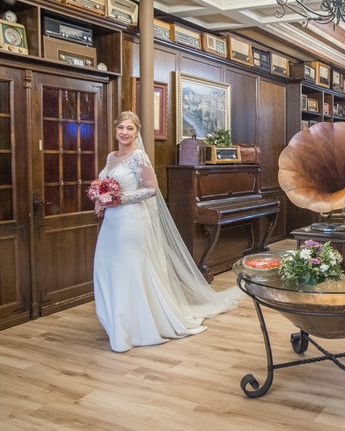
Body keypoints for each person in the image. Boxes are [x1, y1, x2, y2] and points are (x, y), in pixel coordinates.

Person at [93, 111, 242, 352]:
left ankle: (136, 326)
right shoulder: (111, 157)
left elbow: (152, 189)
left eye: (130, 128)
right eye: (121, 127)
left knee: (130, 270)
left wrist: (121, 198)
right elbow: (104, 186)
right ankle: (118, 324)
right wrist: (101, 200)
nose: (124, 132)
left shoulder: (138, 156)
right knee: (108, 267)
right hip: (112, 223)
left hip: (131, 221)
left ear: (136, 132)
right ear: (115, 130)